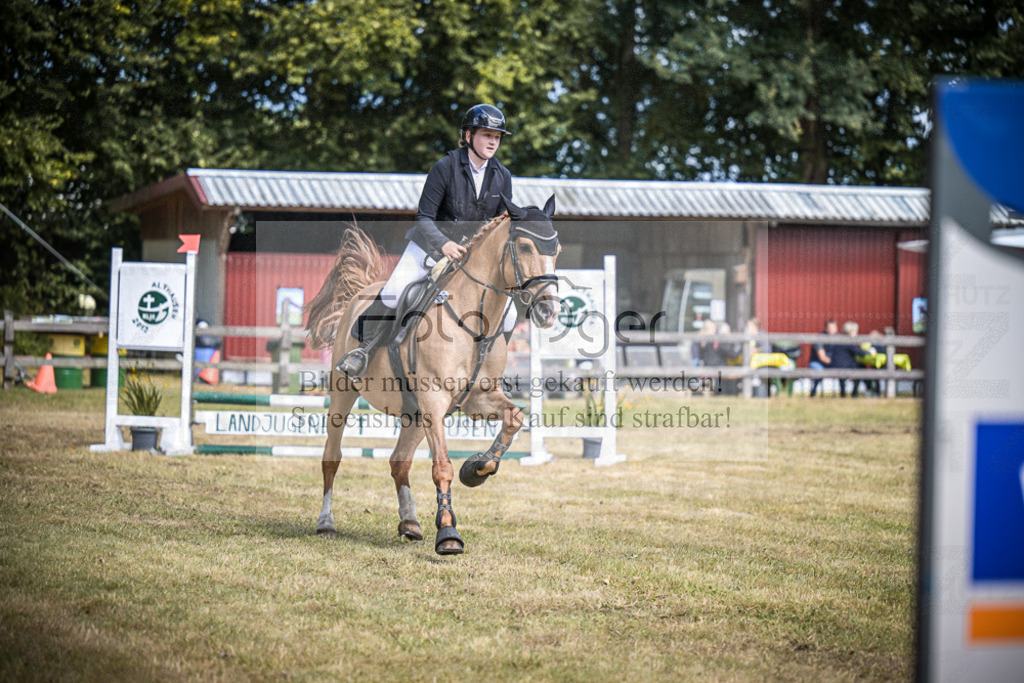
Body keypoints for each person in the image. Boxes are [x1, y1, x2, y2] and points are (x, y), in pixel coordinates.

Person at [337, 104, 517, 379]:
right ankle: (363, 351)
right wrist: (444, 244)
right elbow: (423, 217)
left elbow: (498, 226)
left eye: (497, 136)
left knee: (511, 314)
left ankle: (484, 367)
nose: (493, 141)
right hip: (430, 248)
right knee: (394, 291)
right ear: (468, 136)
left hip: (470, 259)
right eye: (486, 134)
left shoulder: (502, 176)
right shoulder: (445, 167)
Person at [808, 318, 838, 397]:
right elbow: (822, 357)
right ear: (826, 328)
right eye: (829, 328)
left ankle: (844, 394)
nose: (831, 330)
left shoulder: (839, 338)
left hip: (832, 362)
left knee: (843, 368)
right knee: (819, 371)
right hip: (817, 362)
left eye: (833, 328)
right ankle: (813, 392)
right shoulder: (819, 338)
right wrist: (835, 362)